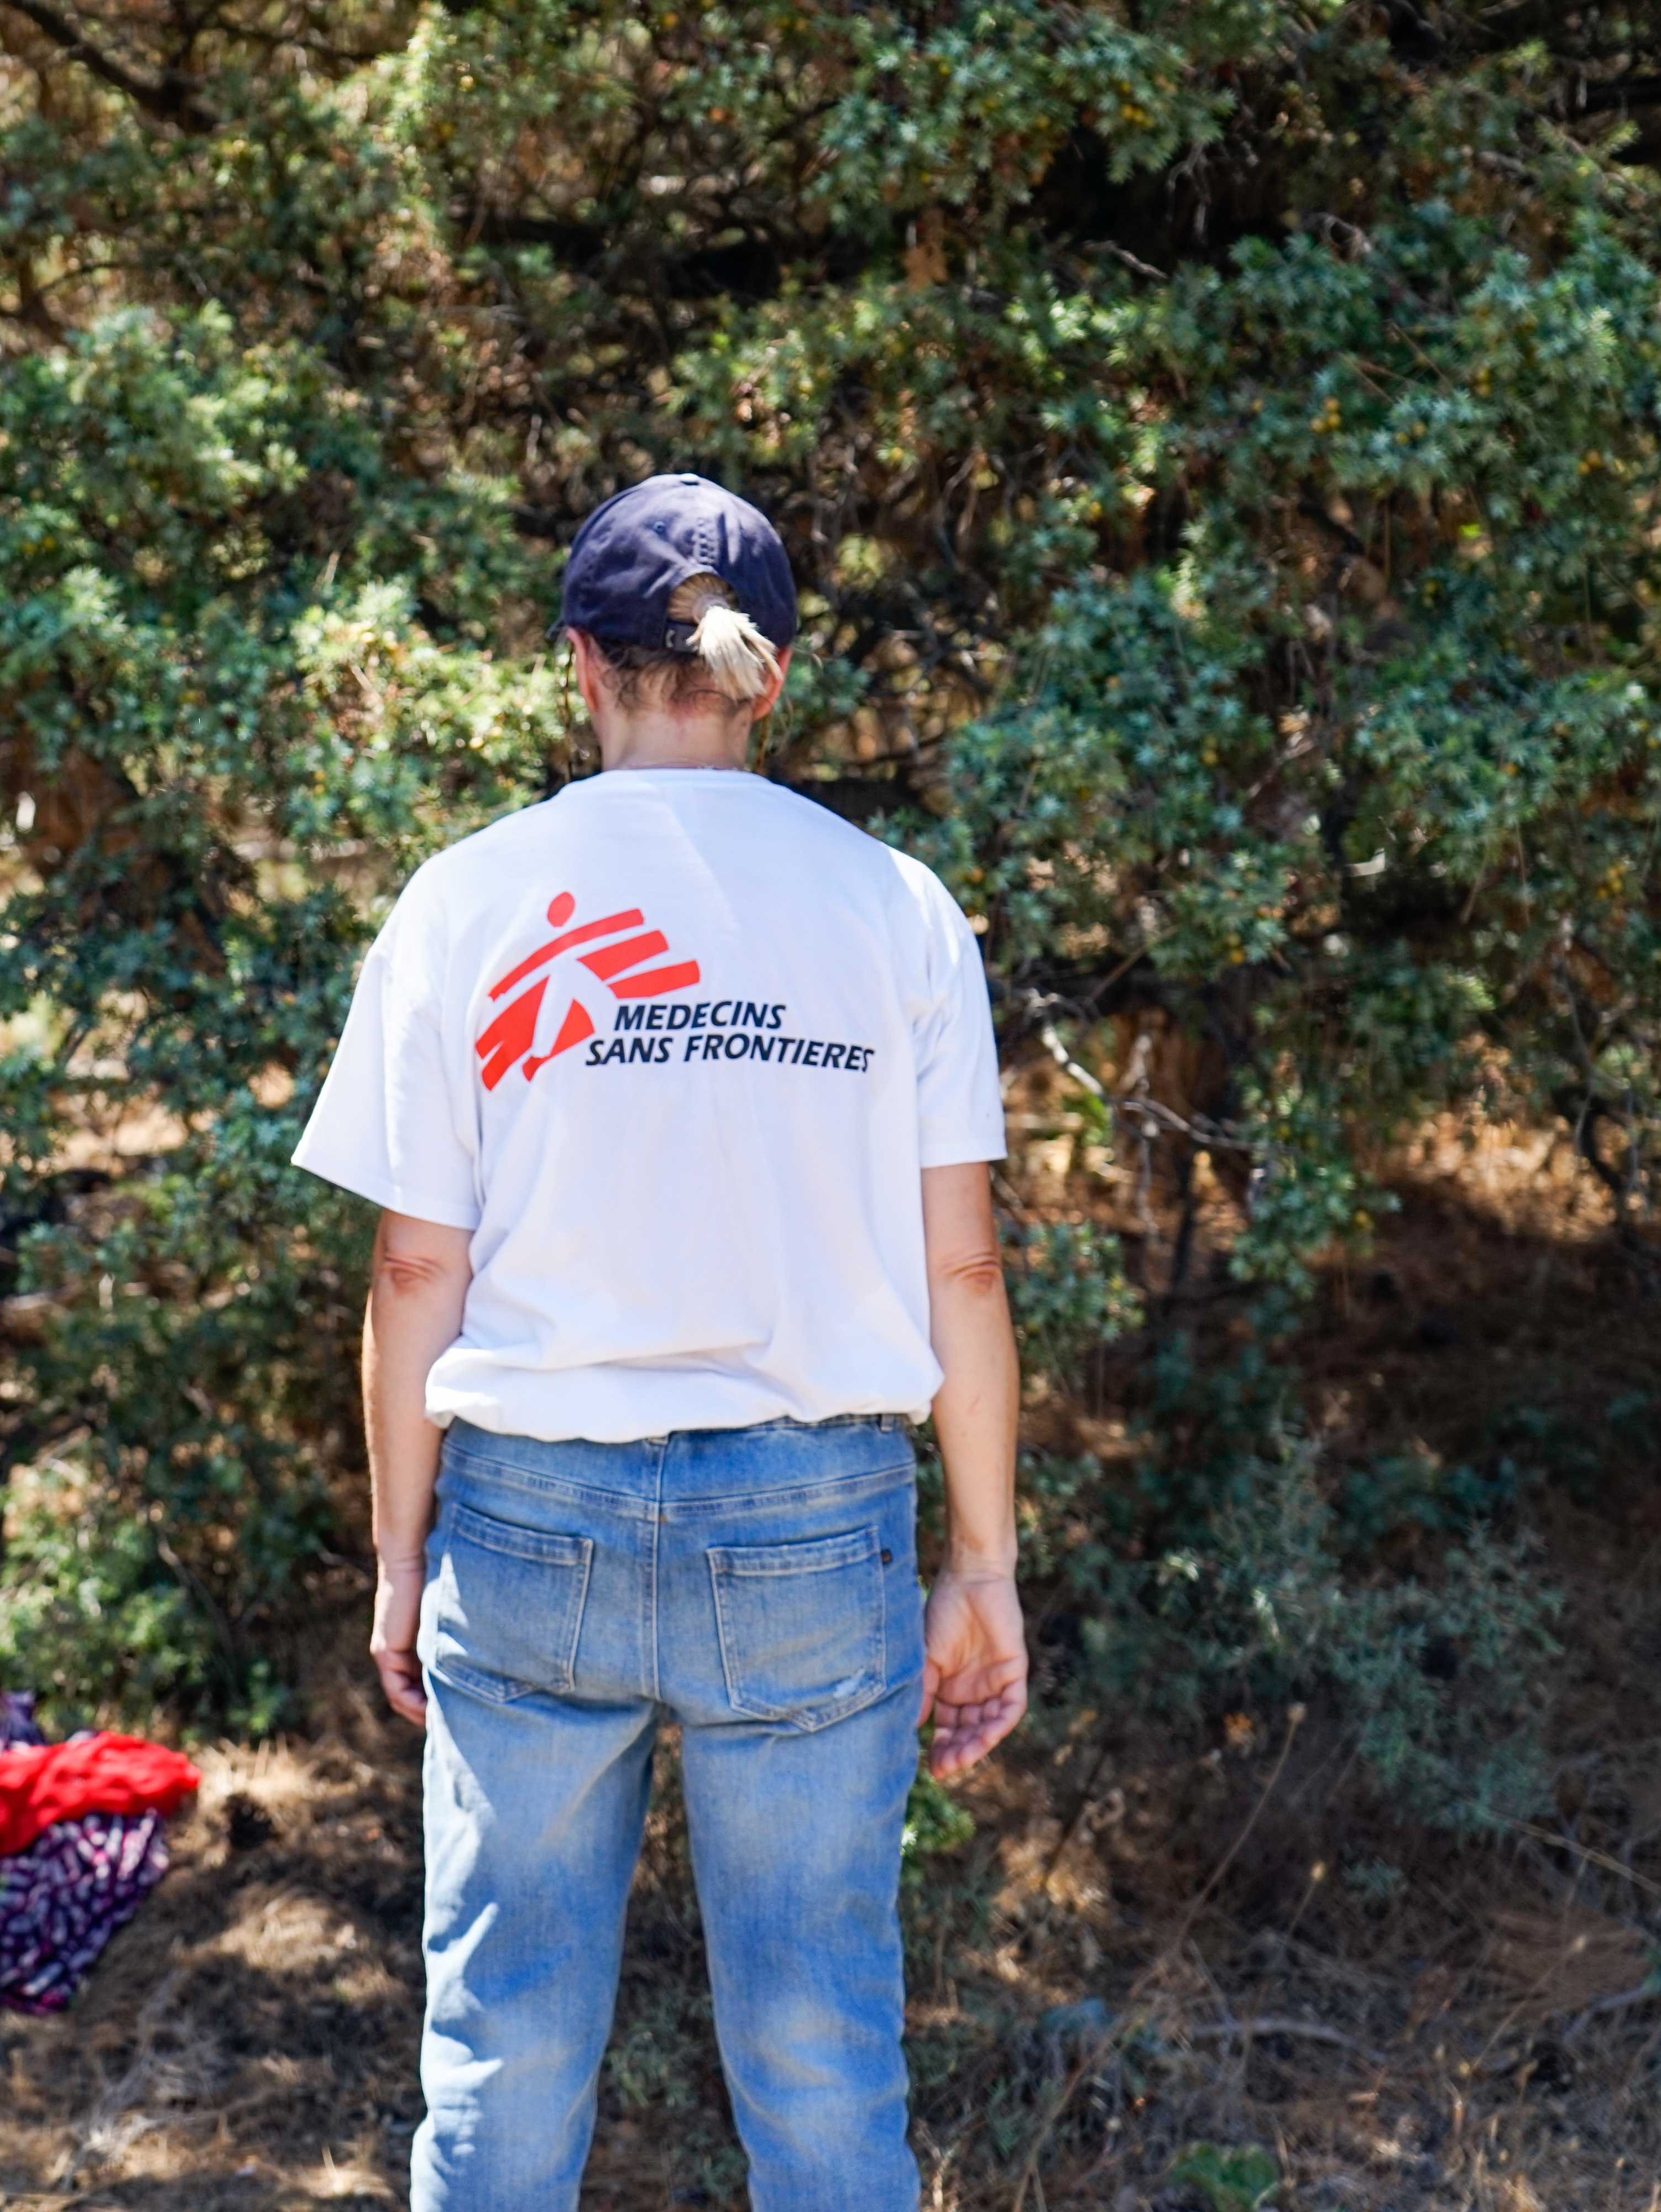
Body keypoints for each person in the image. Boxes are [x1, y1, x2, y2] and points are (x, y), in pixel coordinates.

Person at [289, 475, 1028, 2212]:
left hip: (530, 1522)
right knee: (825, 2062)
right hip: (814, 1530)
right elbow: (968, 1277)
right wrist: (982, 1563)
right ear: (766, 678)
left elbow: (413, 1275)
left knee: (502, 2060)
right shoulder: (894, 907)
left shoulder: (470, 899)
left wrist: (405, 1554)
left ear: (579, 669)